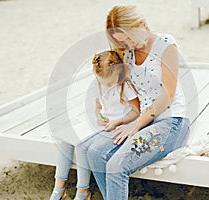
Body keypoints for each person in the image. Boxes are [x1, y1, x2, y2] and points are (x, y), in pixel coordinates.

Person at [77, 5, 190, 199]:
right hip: (143, 122)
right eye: (123, 41)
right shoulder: (127, 52)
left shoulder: (165, 44)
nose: (129, 44)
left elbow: (168, 93)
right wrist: (110, 115)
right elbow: (108, 76)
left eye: (130, 37)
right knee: (94, 152)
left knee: (116, 166)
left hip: (170, 122)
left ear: (141, 24)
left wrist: (136, 124)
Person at [50, 50, 140, 200]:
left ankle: (82, 191)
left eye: (110, 82)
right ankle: (59, 189)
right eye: (104, 82)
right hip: (103, 125)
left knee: (81, 145)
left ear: (118, 71)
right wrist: (99, 116)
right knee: (65, 139)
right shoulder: (100, 84)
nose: (107, 85)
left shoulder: (125, 86)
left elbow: (136, 111)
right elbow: (98, 106)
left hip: (119, 126)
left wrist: (119, 121)